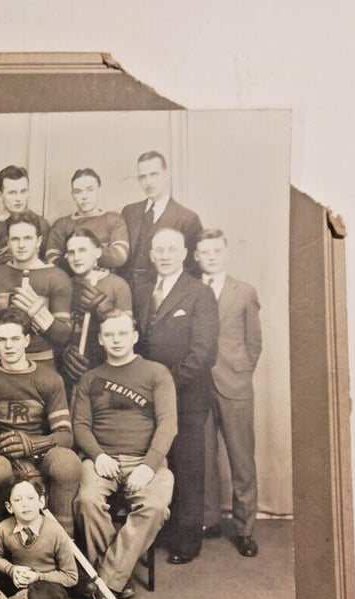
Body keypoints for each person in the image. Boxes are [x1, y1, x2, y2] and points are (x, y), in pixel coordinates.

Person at [71, 309, 177, 599]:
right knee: (86, 501)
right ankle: (118, 579)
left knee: (155, 506)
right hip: (101, 458)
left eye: (122, 334)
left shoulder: (157, 373)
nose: (116, 340)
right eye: (109, 335)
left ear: (134, 337)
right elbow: (80, 425)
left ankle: (106, 582)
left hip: (147, 461)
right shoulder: (90, 379)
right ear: (101, 339)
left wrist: (148, 465)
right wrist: (97, 455)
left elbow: (168, 424)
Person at [133, 226, 219, 564]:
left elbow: (203, 353)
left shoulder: (200, 293)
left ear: (185, 253)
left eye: (172, 249)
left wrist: (165, 387)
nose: (165, 255)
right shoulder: (141, 291)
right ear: (151, 255)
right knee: (156, 463)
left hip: (187, 397)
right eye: (159, 250)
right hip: (148, 396)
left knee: (187, 465)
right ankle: (162, 530)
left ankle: (187, 539)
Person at [0, 308, 82, 534]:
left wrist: (32, 446)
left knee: (66, 463)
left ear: (27, 340)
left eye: (15, 339)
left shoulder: (49, 377)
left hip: (37, 452)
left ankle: (61, 544)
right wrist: (16, 452)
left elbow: (65, 435)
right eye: (2, 339)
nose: (8, 345)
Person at [196, 229, 263, 558]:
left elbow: (254, 343)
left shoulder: (244, 291)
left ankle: (245, 529)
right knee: (204, 455)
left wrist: (241, 370)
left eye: (216, 251)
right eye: (204, 252)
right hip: (199, 385)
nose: (211, 257)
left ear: (226, 253)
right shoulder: (193, 289)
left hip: (234, 383)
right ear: (196, 256)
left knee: (241, 458)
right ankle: (210, 521)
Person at [0, 211, 74, 369]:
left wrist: (39, 315)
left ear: (39, 241)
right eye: (15, 239)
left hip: (40, 362)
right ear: (8, 241)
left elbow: (63, 336)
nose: (21, 245)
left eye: (28, 238)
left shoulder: (58, 276)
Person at [60, 227, 134, 387]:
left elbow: (128, 334)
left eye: (82, 250)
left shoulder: (117, 285)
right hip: (72, 367)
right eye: (71, 252)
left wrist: (104, 310)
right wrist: (63, 352)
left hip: (107, 367)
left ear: (98, 252)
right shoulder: (64, 284)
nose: (76, 257)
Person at [121, 151, 203, 287]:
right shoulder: (129, 212)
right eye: (142, 177)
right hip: (128, 295)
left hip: (162, 295)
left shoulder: (187, 218)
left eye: (154, 175)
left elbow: (193, 270)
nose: (148, 182)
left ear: (167, 175)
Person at [45, 168, 129, 270]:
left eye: (90, 190)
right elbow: (52, 259)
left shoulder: (113, 219)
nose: (84, 196)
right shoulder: (62, 224)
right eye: (78, 192)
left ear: (99, 191)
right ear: (73, 195)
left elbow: (119, 256)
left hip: (106, 282)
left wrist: (73, 257)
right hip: (71, 282)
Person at [0, 165, 50, 269]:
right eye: (12, 193)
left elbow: (48, 267)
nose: (18, 198)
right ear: (0, 195)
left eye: (23, 191)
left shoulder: (41, 224)